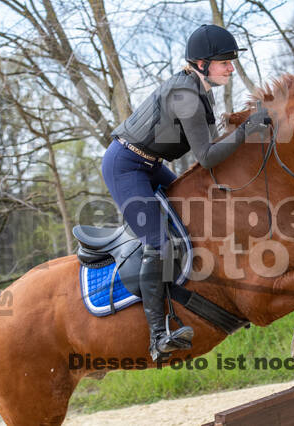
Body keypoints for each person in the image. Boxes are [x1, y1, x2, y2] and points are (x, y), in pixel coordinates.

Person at [102, 24, 271, 361]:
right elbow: (206, 156)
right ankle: (158, 336)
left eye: (231, 61)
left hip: (149, 163)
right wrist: (249, 129)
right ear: (201, 63)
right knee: (159, 242)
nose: (231, 67)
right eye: (224, 61)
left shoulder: (198, 88)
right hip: (126, 166)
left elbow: (212, 143)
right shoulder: (187, 96)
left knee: (198, 214)